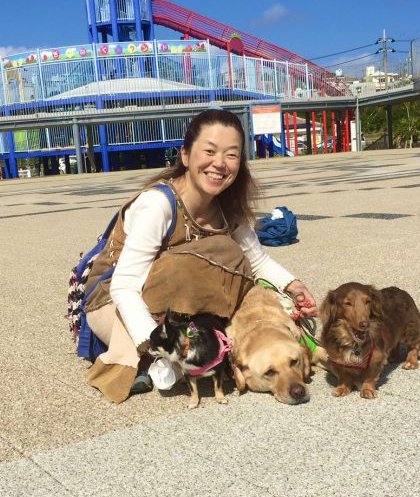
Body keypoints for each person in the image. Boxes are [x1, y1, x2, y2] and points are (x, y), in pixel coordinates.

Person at [84, 109, 318, 403]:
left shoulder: (227, 206)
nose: (219, 163)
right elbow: (124, 284)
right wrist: (162, 346)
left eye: (231, 154)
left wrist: (293, 286)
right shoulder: (158, 204)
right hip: (116, 301)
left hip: (180, 299)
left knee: (226, 266)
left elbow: (256, 261)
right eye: (209, 151)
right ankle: (145, 357)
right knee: (210, 257)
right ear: (185, 155)